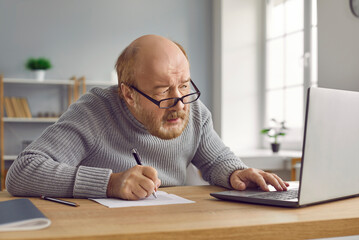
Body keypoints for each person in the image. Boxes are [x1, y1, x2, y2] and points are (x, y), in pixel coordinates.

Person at [6, 35, 288, 200]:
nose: (179, 102)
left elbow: (217, 161)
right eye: (163, 91)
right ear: (128, 94)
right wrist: (110, 183)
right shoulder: (93, 111)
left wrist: (236, 173)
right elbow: (23, 172)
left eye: (185, 85)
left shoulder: (194, 112)